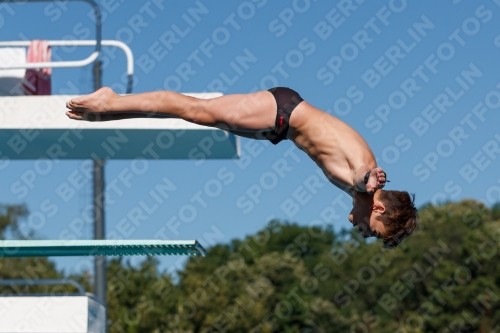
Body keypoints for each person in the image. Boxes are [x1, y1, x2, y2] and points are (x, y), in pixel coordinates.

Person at [66, 87, 417, 248]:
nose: (365, 234)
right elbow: (360, 172)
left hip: (279, 125)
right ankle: (110, 101)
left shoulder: (362, 185)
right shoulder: (364, 179)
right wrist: (368, 179)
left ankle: (109, 109)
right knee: (194, 110)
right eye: (373, 231)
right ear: (380, 207)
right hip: (282, 113)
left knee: (195, 115)